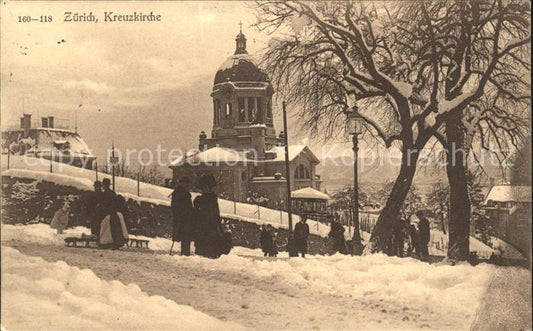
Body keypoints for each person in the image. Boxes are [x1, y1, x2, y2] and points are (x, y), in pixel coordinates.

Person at [194, 174, 222, 258]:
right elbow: (216, 214)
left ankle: (207, 253)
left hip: (206, 227)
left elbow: (214, 214)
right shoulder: (210, 199)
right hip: (208, 227)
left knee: (206, 246)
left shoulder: (203, 199)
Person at [170, 177, 196, 256]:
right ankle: (185, 253)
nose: (187, 185)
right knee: (185, 236)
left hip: (184, 218)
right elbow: (177, 207)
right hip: (183, 219)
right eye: (185, 183)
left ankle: (185, 253)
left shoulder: (181, 192)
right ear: (181, 183)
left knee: (185, 237)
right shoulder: (180, 193)